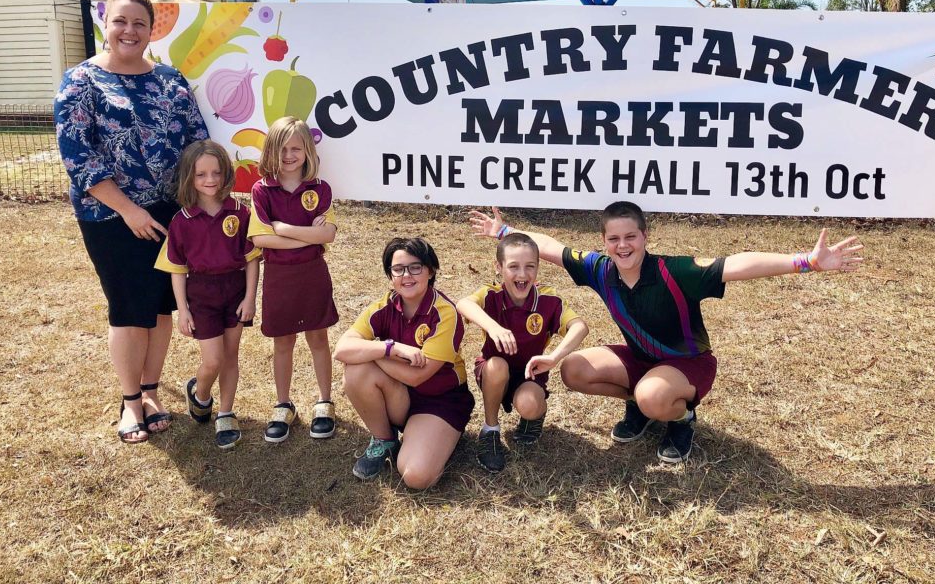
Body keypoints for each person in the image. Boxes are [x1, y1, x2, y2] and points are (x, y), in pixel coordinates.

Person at [470, 202, 863, 464]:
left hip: (688, 365)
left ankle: (681, 418)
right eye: (613, 239)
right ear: (604, 242)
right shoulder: (600, 269)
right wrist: (505, 232)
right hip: (641, 360)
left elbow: (737, 265)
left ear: (646, 236)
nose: (622, 245)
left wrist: (806, 262)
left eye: (630, 237)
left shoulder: (674, 271)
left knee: (653, 396)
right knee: (573, 369)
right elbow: (551, 247)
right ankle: (641, 405)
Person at [55, 0, 208, 443]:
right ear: (106, 22)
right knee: (128, 307)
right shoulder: (81, 81)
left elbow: (197, 140)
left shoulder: (170, 80)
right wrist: (129, 210)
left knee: (161, 305)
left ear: (151, 29)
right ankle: (129, 402)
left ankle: (151, 391)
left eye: (139, 23)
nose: (129, 30)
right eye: (121, 21)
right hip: (110, 216)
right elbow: (78, 155)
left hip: (170, 211)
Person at [333, 237, 474, 488]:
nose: (406, 275)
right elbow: (341, 349)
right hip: (400, 395)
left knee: (416, 477)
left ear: (431, 271)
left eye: (415, 267)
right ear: (390, 275)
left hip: (440, 401)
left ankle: (436, 435)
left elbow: (417, 376)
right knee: (356, 370)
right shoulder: (384, 306)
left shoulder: (445, 313)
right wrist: (390, 347)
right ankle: (384, 440)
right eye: (398, 269)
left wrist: (375, 353)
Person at [154, 140, 260, 449]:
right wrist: (183, 309)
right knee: (213, 360)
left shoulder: (240, 213)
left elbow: (252, 260)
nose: (210, 180)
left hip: (235, 290)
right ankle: (200, 394)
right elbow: (177, 268)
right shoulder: (181, 221)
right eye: (201, 174)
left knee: (231, 355)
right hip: (201, 294)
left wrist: (250, 298)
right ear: (189, 177)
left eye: (216, 172)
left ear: (226, 173)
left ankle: (225, 413)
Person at [457, 232, 588, 473]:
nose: (522, 274)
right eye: (513, 266)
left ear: (538, 267)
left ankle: (534, 417)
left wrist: (554, 357)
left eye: (530, 266)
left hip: (530, 374)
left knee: (529, 404)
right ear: (498, 267)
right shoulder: (491, 294)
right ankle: (490, 431)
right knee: (497, 365)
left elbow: (579, 327)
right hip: (494, 372)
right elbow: (463, 304)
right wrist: (493, 327)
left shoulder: (548, 300)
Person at [247, 116, 338, 443]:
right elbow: (260, 239)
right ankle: (283, 404)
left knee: (318, 338)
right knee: (283, 342)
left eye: (296, 149)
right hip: (279, 276)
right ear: (271, 151)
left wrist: (284, 229)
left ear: (308, 151)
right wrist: (307, 236)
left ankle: (324, 401)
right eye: (282, 149)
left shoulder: (320, 189)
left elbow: (328, 234)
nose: (288, 156)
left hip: (312, 273)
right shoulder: (261, 190)